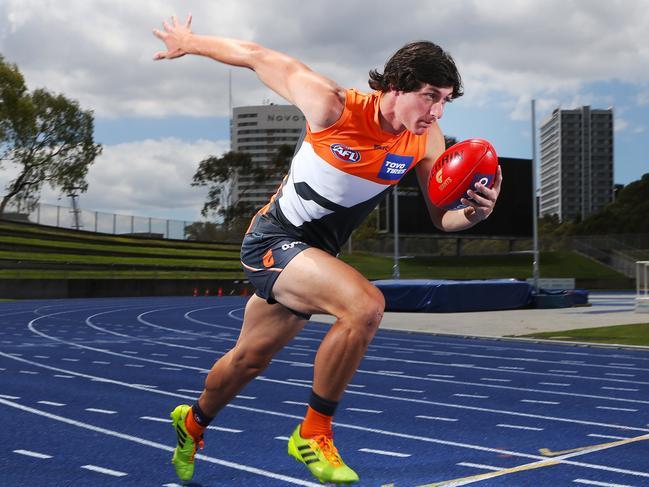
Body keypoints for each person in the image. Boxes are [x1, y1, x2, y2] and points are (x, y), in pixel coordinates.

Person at [153, 14, 502, 485]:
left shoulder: (425, 140)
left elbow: (443, 218)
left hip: (315, 257)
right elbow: (257, 56)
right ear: (396, 86)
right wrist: (189, 42)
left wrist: (475, 215)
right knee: (365, 306)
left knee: (247, 361)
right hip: (273, 241)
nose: (437, 112)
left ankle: (190, 423)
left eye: (445, 101)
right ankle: (313, 433)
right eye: (430, 97)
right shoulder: (331, 104)